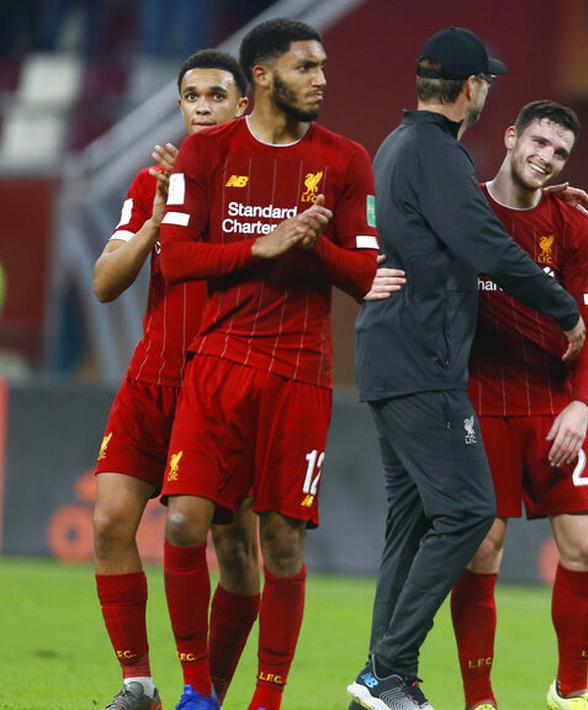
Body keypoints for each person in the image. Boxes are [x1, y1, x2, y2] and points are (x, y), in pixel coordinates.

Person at [348, 27, 584, 710]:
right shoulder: (437, 152)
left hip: (394, 356)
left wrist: (554, 208)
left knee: (414, 520)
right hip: (422, 360)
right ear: (471, 88)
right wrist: (560, 307)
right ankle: (388, 670)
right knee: (469, 510)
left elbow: (477, 224)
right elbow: (484, 241)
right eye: (486, 82)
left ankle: (381, 677)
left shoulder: (401, 146)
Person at [156, 18, 386, 710]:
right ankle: (197, 689)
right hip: (218, 362)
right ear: (261, 76)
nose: (321, 78)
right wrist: (260, 245)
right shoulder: (206, 155)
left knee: (280, 541)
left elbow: (367, 273)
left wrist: (309, 247)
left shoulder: (346, 160)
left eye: (322, 67)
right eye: (305, 67)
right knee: (181, 526)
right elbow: (175, 258)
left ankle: (265, 699)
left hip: (300, 372)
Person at [91, 49, 259, 710]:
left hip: (223, 388)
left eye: (218, 94)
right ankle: (138, 685)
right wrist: (160, 218)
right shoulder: (149, 184)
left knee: (235, 553)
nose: (204, 106)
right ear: (181, 106)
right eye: (193, 96)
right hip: (152, 377)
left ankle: (206, 693)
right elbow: (105, 283)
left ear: (243, 104)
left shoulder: (264, 190)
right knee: (109, 522)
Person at [450, 100, 588, 710]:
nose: (545, 157)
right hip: (478, 401)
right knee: (483, 548)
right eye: (538, 142)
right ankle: (479, 698)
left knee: (587, 547)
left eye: (559, 152)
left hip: (551, 404)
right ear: (512, 137)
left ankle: (570, 690)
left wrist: (581, 407)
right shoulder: (464, 209)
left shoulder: (570, 226)